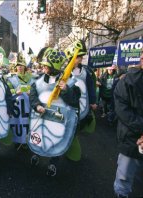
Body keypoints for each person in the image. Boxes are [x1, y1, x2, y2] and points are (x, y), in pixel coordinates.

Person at [29, 47, 81, 176]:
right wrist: (36, 106)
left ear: (53, 67)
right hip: (41, 117)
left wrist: (66, 90)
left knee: (56, 139)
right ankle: (36, 154)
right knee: (38, 136)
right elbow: (33, 96)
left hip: (58, 119)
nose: (43, 68)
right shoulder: (38, 81)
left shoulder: (69, 81)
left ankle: (53, 163)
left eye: (46, 66)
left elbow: (74, 101)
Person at [113, 42, 143, 198]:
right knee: (124, 178)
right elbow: (122, 109)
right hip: (132, 138)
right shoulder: (128, 80)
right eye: (142, 52)